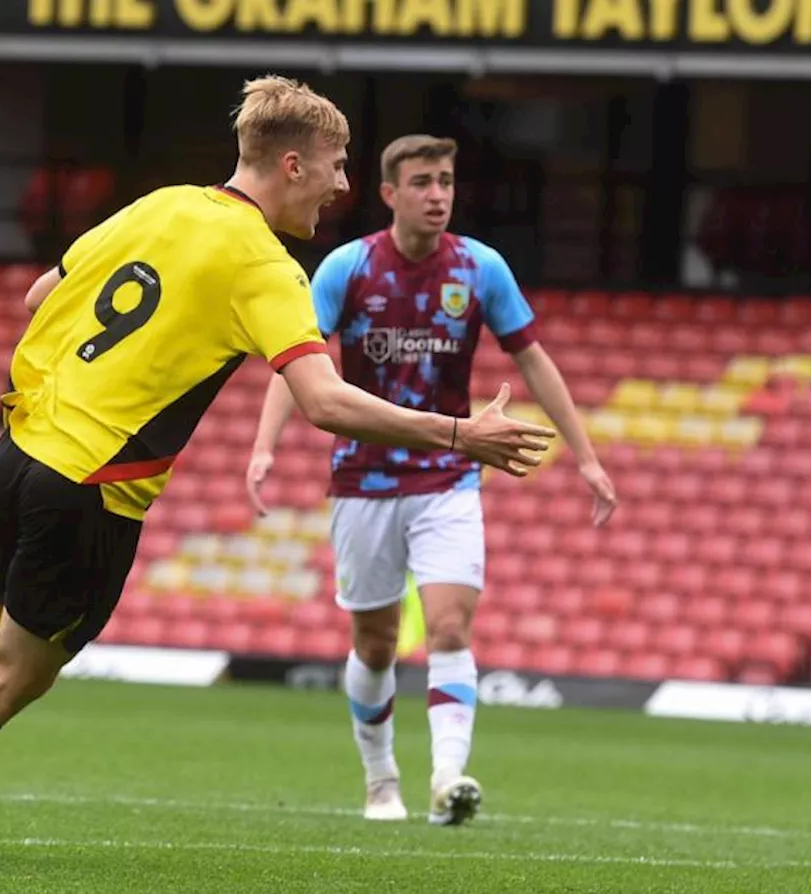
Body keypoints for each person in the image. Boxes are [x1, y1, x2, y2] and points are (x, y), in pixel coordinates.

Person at [0, 81, 556, 852]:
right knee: (17, 677)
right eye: (337, 165)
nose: (343, 185)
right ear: (291, 164)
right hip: (94, 487)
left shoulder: (162, 203)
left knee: (20, 637)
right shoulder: (264, 263)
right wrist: (457, 433)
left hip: (22, 450)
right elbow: (323, 401)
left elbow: (40, 295)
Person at [245, 134, 617, 826]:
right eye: (422, 182)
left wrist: (585, 456)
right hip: (364, 481)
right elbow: (302, 363)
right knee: (376, 644)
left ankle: (449, 779)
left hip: (449, 476)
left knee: (449, 626)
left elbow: (533, 361)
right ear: (390, 194)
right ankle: (381, 778)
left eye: (445, 181)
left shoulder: (481, 269)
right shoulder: (346, 269)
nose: (437, 194)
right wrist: (265, 447)